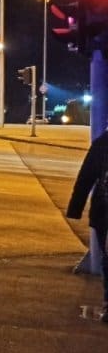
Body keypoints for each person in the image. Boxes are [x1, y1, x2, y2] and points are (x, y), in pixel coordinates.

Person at [66, 130, 108, 322]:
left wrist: (76, 207)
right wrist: (75, 207)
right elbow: (87, 175)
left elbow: (86, 176)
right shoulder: (103, 143)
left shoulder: (103, 142)